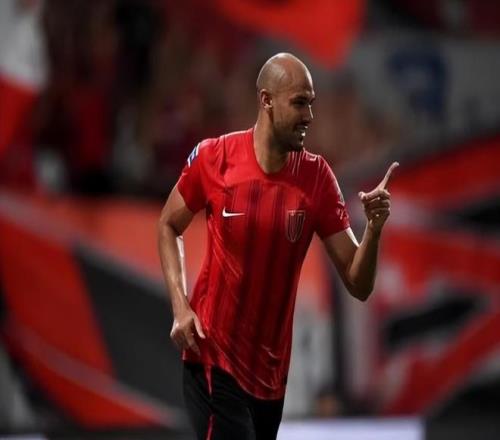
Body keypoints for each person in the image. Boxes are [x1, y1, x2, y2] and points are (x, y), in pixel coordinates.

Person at [158, 52, 398, 440]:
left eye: (311, 104)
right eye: (299, 103)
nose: (309, 116)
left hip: (270, 379)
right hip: (213, 359)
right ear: (266, 101)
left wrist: (373, 229)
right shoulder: (215, 158)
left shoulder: (317, 178)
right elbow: (169, 225)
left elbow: (359, 283)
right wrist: (180, 306)